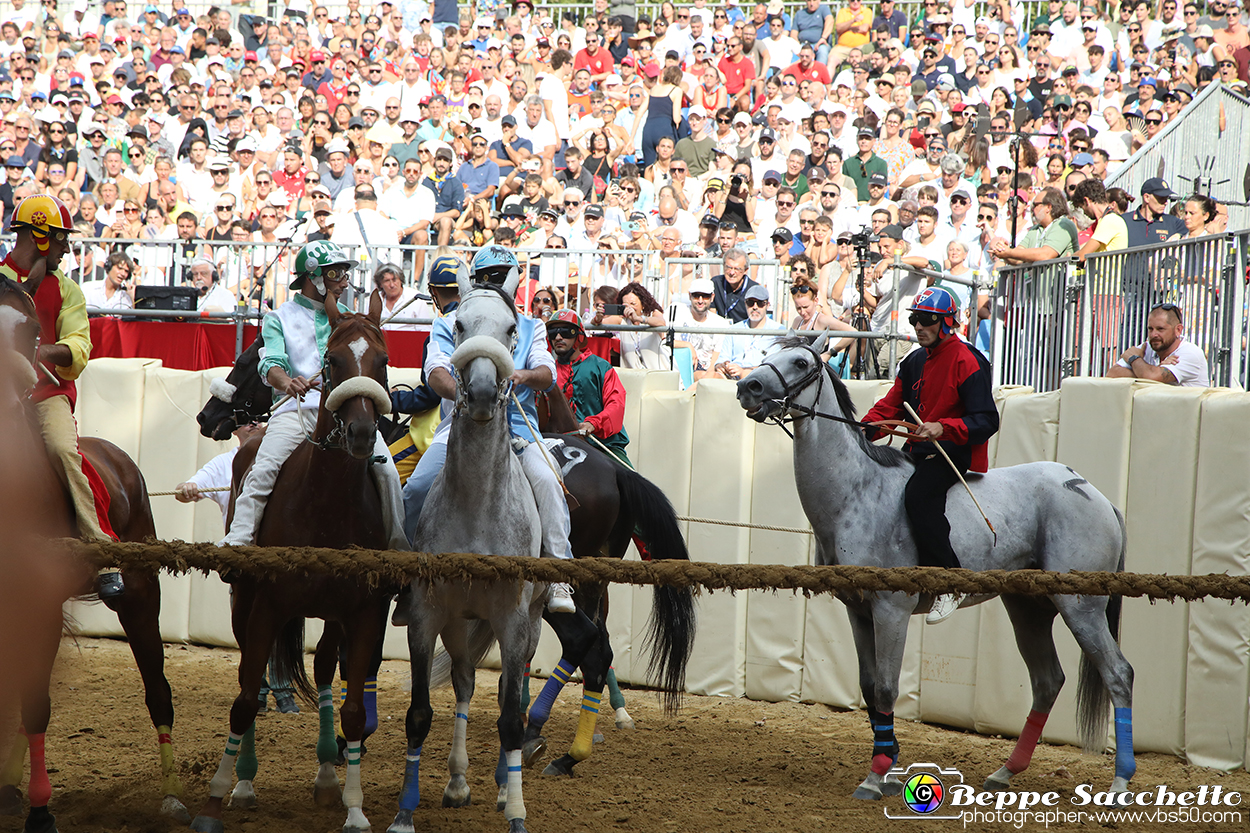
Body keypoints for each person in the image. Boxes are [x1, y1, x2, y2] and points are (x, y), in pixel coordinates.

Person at [399, 246, 576, 615]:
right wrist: (464, 395)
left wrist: (516, 375)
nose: (494, 284)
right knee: (415, 488)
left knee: (546, 479)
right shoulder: (448, 323)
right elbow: (436, 374)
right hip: (458, 429)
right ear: (475, 282)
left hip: (520, 433)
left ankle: (559, 573)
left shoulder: (531, 326)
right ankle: (408, 580)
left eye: (501, 276)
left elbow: (546, 375)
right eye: (487, 277)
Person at [220, 241, 408, 555]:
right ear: (313, 276)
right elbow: (271, 364)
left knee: (387, 472)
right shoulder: (279, 317)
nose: (343, 280)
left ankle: (397, 548)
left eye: (345, 273)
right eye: (335, 273)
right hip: (295, 410)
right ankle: (239, 540)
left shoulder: (351, 318)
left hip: (346, 412)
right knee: (263, 468)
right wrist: (286, 381)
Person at [0, 194, 123, 601]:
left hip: (45, 394)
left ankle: (103, 555)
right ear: (38, 237)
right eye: (59, 239)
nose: (67, 248)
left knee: (62, 450)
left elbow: (79, 347)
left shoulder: (68, 289)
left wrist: (39, 352)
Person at [862, 287, 999, 625]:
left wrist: (944, 427)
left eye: (926, 320)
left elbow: (987, 420)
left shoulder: (969, 359)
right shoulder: (913, 360)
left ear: (947, 323)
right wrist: (865, 428)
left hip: (952, 452)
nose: (918, 326)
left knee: (919, 495)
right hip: (916, 450)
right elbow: (890, 405)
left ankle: (951, 581)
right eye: (914, 319)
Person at [546, 310, 631, 465]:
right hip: (558, 446)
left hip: (603, 445)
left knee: (633, 483)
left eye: (565, 332)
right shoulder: (547, 372)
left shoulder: (601, 367)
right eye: (552, 333)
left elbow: (616, 404)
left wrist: (593, 424)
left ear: (579, 336)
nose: (558, 337)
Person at [1106, 303, 1210, 387]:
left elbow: (1151, 376)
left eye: (1161, 329)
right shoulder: (1146, 347)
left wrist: (1134, 359)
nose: (1153, 334)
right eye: (1150, 329)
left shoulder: (1190, 353)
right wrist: (1153, 371)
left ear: (1178, 330)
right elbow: (1112, 374)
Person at [715, 284, 777, 379]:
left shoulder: (777, 331)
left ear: (767, 305)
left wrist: (743, 371)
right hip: (731, 378)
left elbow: (774, 367)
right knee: (709, 377)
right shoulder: (733, 330)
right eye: (750, 303)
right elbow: (722, 359)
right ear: (745, 304)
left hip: (760, 381)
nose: (755, 307)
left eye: (760, 303)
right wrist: (722, 366)